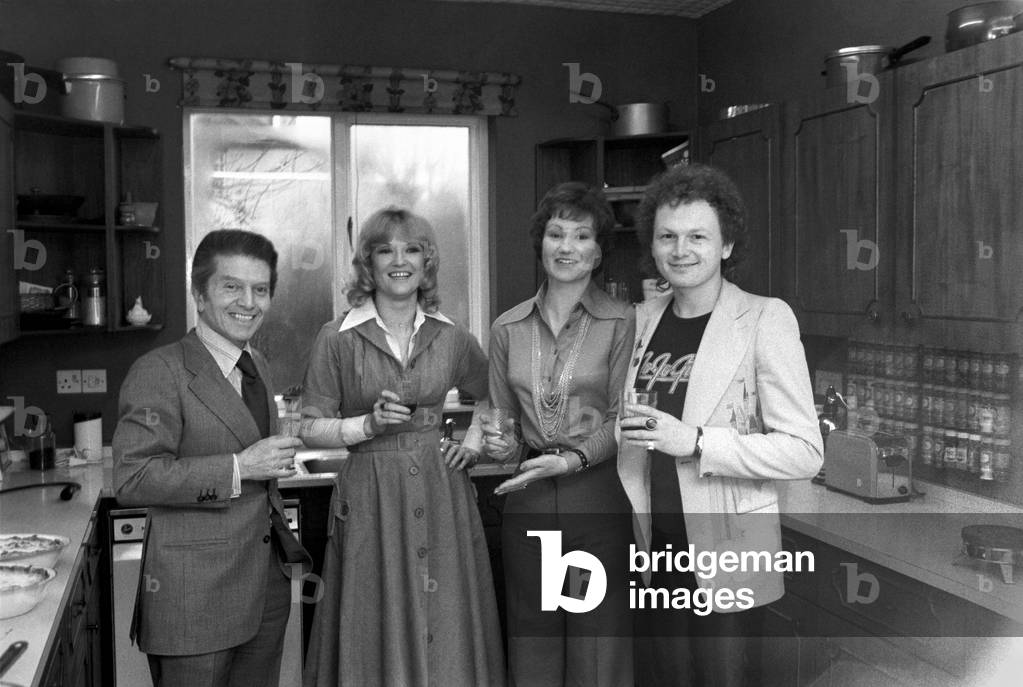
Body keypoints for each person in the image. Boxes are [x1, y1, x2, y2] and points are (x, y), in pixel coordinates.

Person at [618, 164, 824, 686]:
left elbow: (804, 451)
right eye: (667, 236)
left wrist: (697, 442)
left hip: (726, 546)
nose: (680, 249)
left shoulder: (764, 319)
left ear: (726, 244)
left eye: (697, 237)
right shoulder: (640, 319)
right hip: (654, 548)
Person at [300, 207, 504, 686]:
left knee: (446, 612)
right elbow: (310, 427)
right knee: (373, 615)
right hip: (369, 497)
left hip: (441, 490)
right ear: (367, 264)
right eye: (385, 249)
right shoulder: (336, 339)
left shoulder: (451, 336)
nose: (399, 260)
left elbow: (498, 391)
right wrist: (366, 426)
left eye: (411, 249)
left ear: (426, 263)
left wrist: (473, 444)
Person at [113, 229, 306, 687]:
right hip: (193, 600)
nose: (249, 301)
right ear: (199, 294)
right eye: (231, 286)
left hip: (265, 588)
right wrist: (241, 468)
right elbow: (132, 477)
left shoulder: (256, 362)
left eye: (261, 290)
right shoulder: (159, 371)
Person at [484, 181, 636, 687]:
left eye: (581, 236)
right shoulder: (508, 327)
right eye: (555, 234)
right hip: (527, 499)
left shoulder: (621, 323)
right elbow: (502, 418)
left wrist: (570, 462)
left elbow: (623, 420)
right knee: (532, 642)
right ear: (541, 242)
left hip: (596, 498)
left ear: (598, 253)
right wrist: (501, 443)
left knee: (598, 648)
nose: (566, 247)